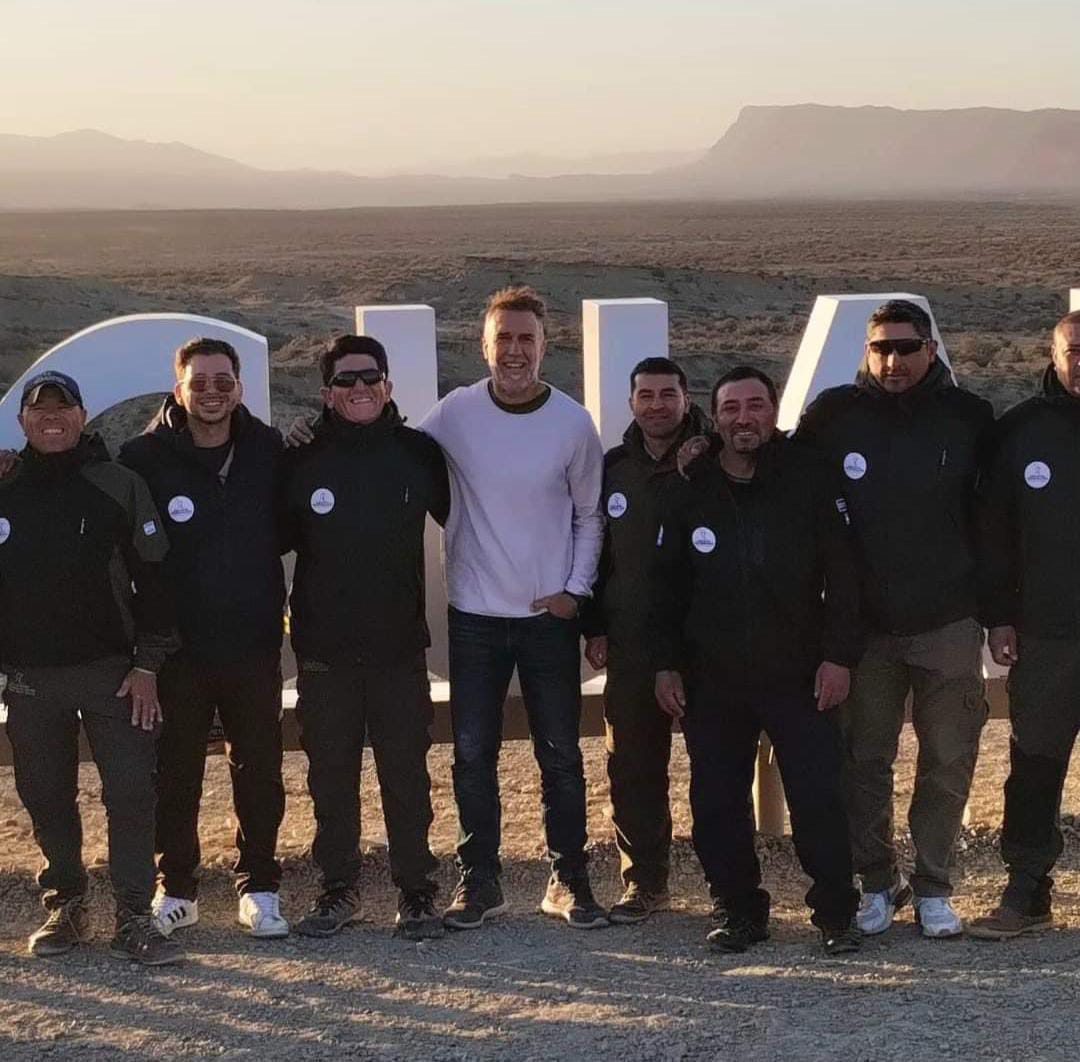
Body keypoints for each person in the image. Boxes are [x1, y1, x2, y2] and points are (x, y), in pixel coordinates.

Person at [795, 299, 994, 939]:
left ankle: (935, 886)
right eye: (881, 347)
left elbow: (993, 521)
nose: (893, 360)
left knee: (948, 759)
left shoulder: (969, 417)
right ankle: (878, 882)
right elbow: (782, 480)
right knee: (863, 761)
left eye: (906, 347)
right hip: (866, 629)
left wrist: (1000, 613)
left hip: (949, 622)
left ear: (930, 349)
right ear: (867, 350)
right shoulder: (833, 416)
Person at [653, 366, 862, 955]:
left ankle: (834, 913)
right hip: (711, 676)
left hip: (799, 672)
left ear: (774, 411)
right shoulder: (689, 487)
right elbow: (666, 590)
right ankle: (738, 910)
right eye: (731, 409)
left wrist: (838, 657)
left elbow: (844, 578)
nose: (744, 418)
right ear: (713, 417)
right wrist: (666, 664)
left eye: (755, 406)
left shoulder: (809, 478)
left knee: (818, 795)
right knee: (717, 800)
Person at [420, 286, 607, 930]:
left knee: (558, 752)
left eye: (526, 338)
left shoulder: (573, 424)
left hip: (547, 619)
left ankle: (569, 878)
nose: (515, 350)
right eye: (504, 338)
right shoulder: (456, 413)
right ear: (484, 346)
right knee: (472, 752)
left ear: (545, 346)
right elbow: (393, 452)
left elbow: (590, 514)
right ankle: (481, 881)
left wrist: (574, 593)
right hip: (473, 614)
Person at [1, 370, 182, 964]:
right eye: (39, 407)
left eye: (64, 406)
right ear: (22, 419)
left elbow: (156, 579)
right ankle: (68, 905)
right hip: (30, 679)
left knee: (131, 794)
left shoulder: (119, 485)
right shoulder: (4, 485)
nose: (51, 416)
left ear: (82, 416)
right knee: (46, 795)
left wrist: (149, 664)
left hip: (116, 674)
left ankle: (134, 916)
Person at [119, 338, 289, 940]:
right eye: (200, 382)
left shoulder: (269, 450)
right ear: (179, 389)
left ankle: (260, 887)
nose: (212, 392)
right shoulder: (143, 458)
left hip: (253, 642)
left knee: (259, 769)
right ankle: (179, 890)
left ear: (239, 387)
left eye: (224, 381)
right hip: (176, 649)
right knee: (176, 771)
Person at [282, 335, 450, 940]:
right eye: (346, 381)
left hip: (398, 650)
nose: (359, 389)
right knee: (331, 780)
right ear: (327, 392)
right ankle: (338, 890)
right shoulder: (300, 458)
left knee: (406, 777)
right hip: (324, 652)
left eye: (369, 378)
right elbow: (263, 537)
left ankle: (417, 892)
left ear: (388, 385)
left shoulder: (419, 454)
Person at [581, 356, 709, 924]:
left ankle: (727, 884)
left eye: (668, 394)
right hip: (631, 645)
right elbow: (594, 549)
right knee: (633, 768)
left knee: (714, 766)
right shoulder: (612, 468)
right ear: (631, 402)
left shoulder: (713, 460)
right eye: (645, 395)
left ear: (687, 398)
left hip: (704, 645)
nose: (657, 405)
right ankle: (645, 883)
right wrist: (595, 626)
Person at [968, 309, 1080, 939]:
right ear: (1054, 355)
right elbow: (994, 535)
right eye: (1076, 351)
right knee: (1035, 766)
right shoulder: (1022, 431)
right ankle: (1029, 891)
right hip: (1046, 633)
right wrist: (1000, 616)